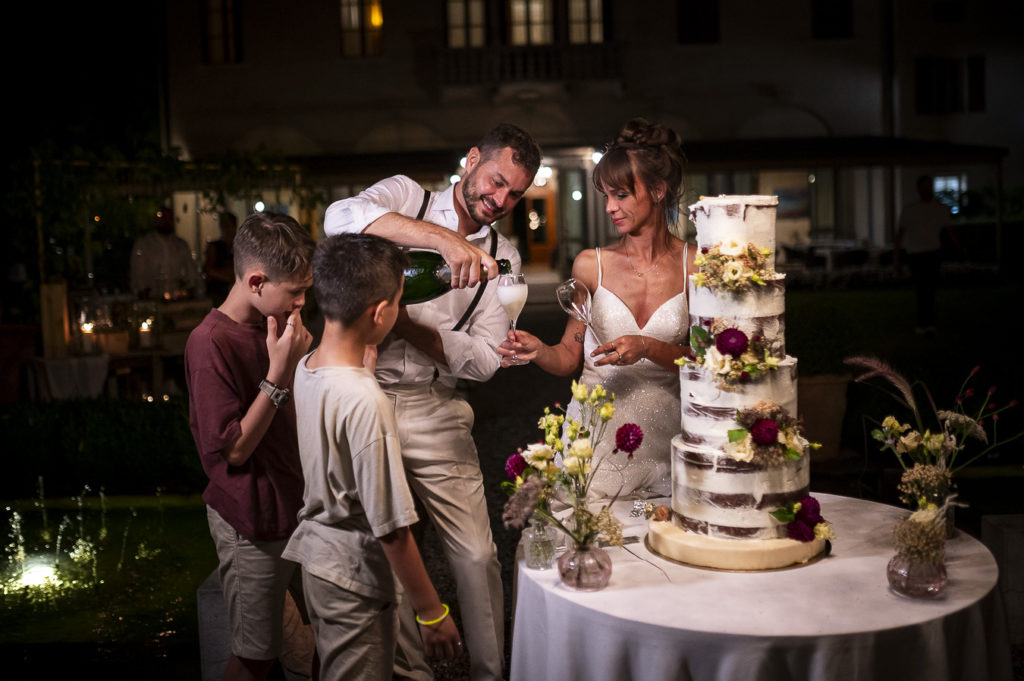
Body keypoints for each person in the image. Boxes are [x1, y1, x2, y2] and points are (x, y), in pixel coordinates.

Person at [323, 123, 541, 681]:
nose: (500, 200)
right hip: (365, 397)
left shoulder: (504, 258)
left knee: (477, 555)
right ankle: (413, 673)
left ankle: (491, 672)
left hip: (434, 404)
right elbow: (339, 217)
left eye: (515, 194)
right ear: (471, 160)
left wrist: (407, 324)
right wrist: (444, 241)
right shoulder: (406, 197)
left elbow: (486, 362)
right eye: (495, 181)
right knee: (386, 549)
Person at [282, 233, 463, 679]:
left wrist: (363, 372)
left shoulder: (307, 366)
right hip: (354, 574)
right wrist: (431, 612)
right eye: (399, 303)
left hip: (319, 563)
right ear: (380, 313)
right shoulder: (366, 401)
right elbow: (392, 528)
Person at [498, 118, 696, 500]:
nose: (609, 207)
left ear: (658, 190)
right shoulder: (591, 265)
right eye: (605, 195)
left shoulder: (696, 265)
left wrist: (648, 347)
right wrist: (538, 350)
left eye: (620, 195)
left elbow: (708, 364)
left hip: (668, 436)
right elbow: (568, 357)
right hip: (596, 438)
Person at [184, 211, 316, 681]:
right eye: (295, 291)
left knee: (306, 652)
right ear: (256, 282)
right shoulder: (209, 342)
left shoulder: (273, 322)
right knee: (254, 658)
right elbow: (234, 451)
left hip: (290, 509)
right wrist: (278, 374)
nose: (302, 302)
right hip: (250, 521)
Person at [894, 175, 955, 334]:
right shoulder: (910, 210)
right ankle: (922, 323)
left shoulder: (939, 209)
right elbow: (900, 235)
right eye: (924, 187)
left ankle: (928, 322)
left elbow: (950, 230)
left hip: (933, 253)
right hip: (916, 254)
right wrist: (897, 258)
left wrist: (958, 247)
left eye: (929, 186)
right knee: (921, 288)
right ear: (919, 189)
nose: (927, 190)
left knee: (930, 288)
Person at [130, 205, 200, 300]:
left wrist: (189, 289)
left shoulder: (181, 245)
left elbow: (191, 273)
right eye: (164, 217)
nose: (167, 221)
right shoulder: (143, 244)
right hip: (151, 298)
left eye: (170, 218)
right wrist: (142, 292)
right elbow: (137, 274)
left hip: (176, 298)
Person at [205, 211, 239, 306]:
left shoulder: (240, 247)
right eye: (224, 226)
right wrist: (229, 277)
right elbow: (209, 270)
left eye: (229, 225)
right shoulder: (215, 247)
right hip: (218, 293)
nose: (227, 229)